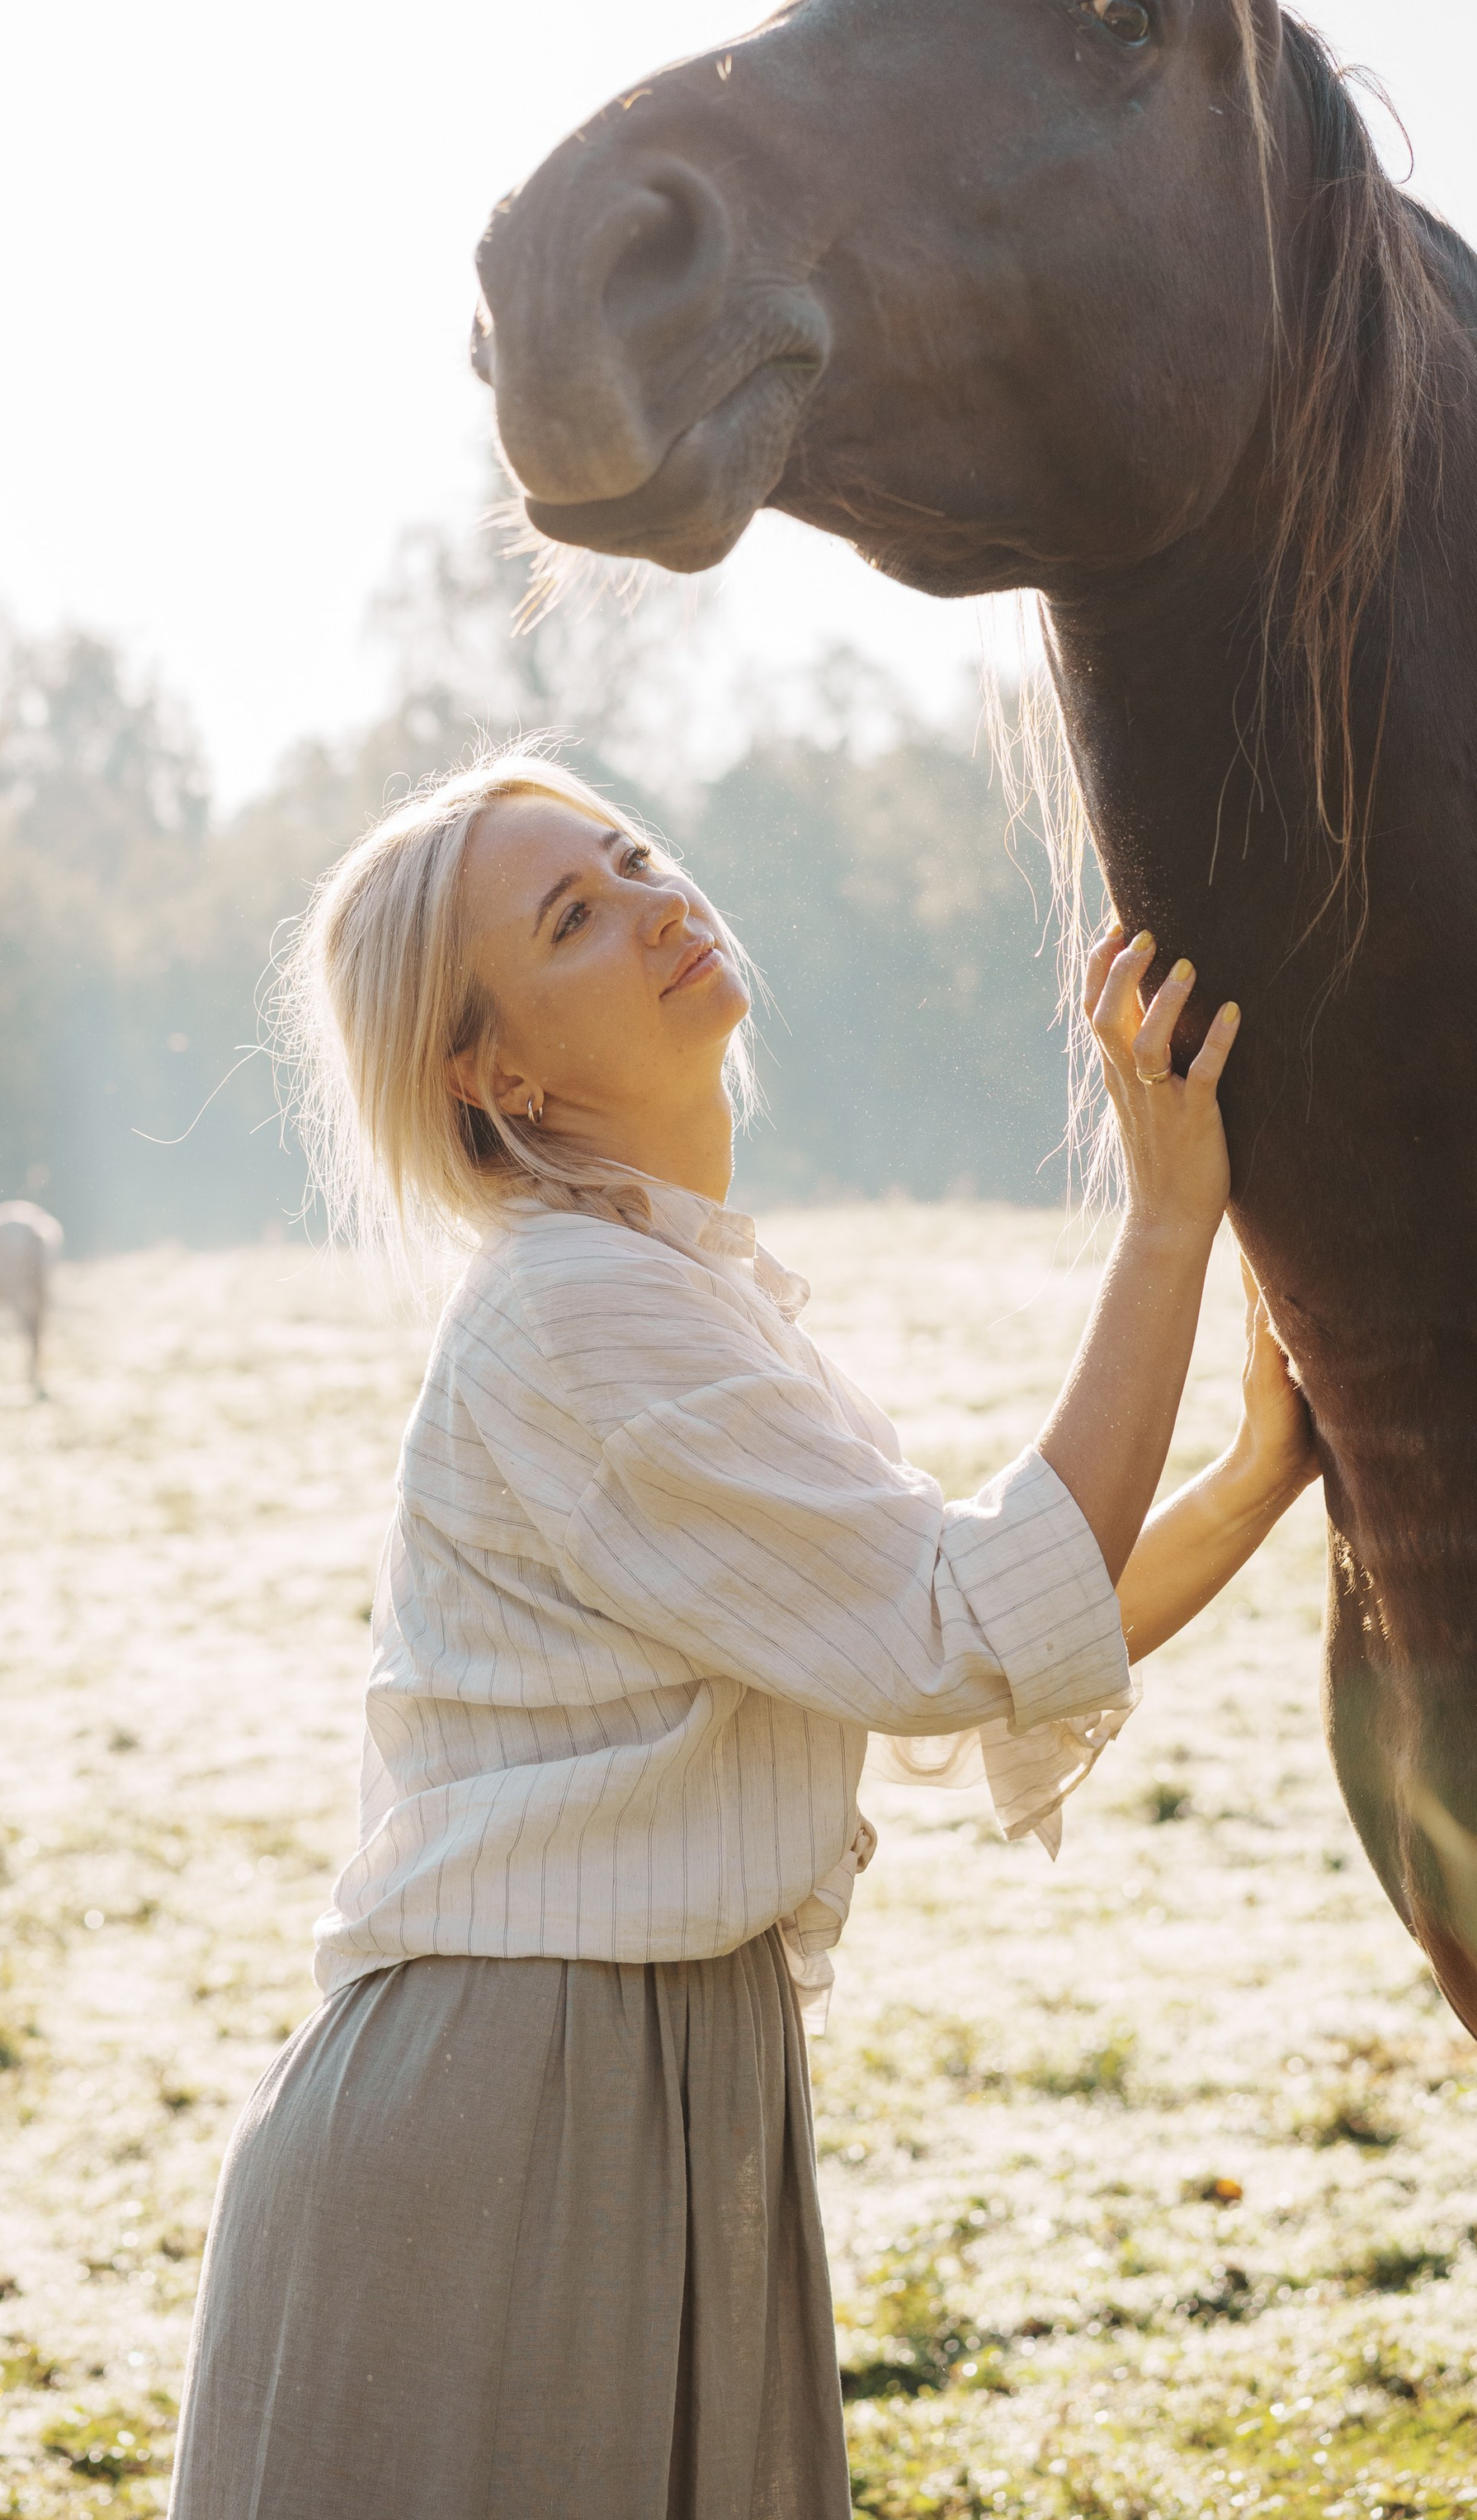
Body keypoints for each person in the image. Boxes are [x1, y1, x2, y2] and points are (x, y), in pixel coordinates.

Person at [167, 745, 1317, 2520]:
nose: (651, 902)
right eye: (570, 916)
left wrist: (1250, 1481)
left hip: (644, 2087)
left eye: (629, 857)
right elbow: (957, 1626)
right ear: (495, 1072)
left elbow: (958, 1637)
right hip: (503, 2117)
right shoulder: (573, 1315)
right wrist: (1165, 1219)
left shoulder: (672, 1290)